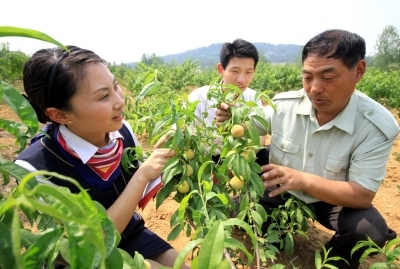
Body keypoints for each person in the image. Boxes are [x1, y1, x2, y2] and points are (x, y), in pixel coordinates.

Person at [216, 29, 400, 268]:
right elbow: (248, 128)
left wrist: (302, 180)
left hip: (332, 198)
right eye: (307, 77)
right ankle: (279, 234)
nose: (314, 88)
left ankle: (332, 261)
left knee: (367, 230)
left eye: (327, 77)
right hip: (280, 190)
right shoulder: (282, 105)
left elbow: (362, 194)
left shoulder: (375, 125)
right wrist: (231, 117)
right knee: (244, 214)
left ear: (359, 71)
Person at [15, 46, 189, 269]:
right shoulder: (34, 168)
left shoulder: (122, 132)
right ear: (61, 115)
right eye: (104, 96)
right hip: (84, 257)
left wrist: (167, 162)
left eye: (115, 86)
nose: (120, 101)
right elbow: (90, 246)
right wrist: (143, 174)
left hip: (128, 231)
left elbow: (135, 184)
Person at [188, 38, 269, 165]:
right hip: (208, 159)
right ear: (221, 70)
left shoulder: (253, 98)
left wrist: (240, 164)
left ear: (254, 72)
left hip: (241, 156)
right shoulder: (199, 97)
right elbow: (185, 135)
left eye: (248, 72)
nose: (242, 79)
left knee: (268, 156)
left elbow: (260, 140)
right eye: (235, 71)